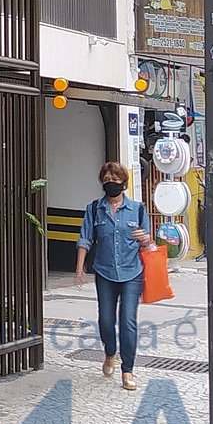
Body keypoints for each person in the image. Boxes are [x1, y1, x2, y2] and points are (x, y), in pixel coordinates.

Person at [74, 160, 154, 391]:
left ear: (124, 183)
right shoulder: (94, 209)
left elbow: (149, 242)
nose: (111, 183)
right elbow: (85, 239)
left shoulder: (138, 209)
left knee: (128, 321)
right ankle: (110, 352)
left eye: (116, 179)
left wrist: (145, 239)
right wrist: (79, 268)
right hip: (105, 272)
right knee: (106, 320)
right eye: (107, 179)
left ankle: (128, 370)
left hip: (132, 272)